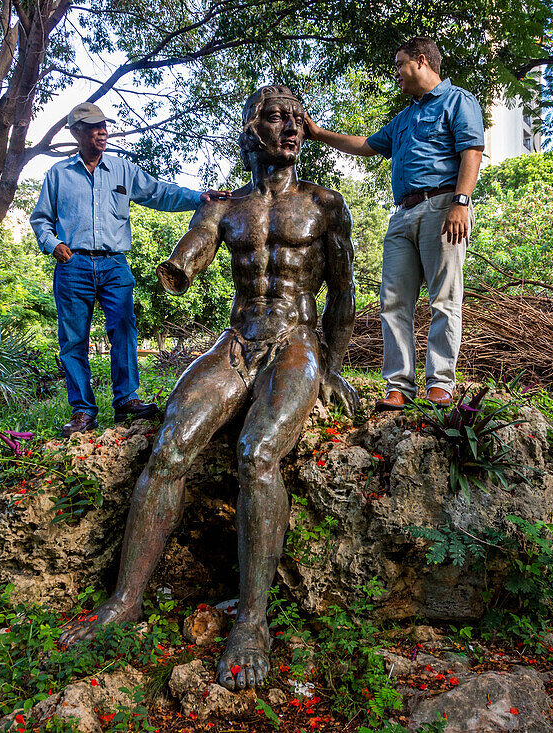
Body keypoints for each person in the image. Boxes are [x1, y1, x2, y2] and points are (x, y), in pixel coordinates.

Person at [58, 85, 359, 691]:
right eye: (275, 118)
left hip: (297, 338)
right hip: (238, 338)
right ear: (253, 131)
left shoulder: (326, 204)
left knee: (257, 454)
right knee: (169, 446)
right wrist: (184, 256)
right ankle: (125, 600)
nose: (290, 127)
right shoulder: (226, 206)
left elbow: (344, 298)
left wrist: (330, 366)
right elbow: (186, 259)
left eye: (296, 117)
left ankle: (252, 620)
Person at [304, 36, 484, 410]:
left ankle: (440, 384)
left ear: (421, 61)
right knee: (393, 302)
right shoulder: (403, 119)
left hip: (442, 207)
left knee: (444, 300)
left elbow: (472, 150)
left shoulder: (458, 101)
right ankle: (399, 386)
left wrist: (461, 202)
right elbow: (366, 145)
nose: (396, 75)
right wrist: (319, 133)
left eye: (400, 65)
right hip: (402, 215)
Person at [31, 102, 229, 436]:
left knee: (124, 329)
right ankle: (83, 412)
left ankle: (126, 401)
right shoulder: (59, 175)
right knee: (73, 341)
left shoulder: (123, 170)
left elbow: (159, 193)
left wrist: (199, 197)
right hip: (73, 265)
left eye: (103, 126)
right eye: (92, 127)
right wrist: (53, 245)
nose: (101, 131)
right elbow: (40, 220)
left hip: (114, 264)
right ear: (76, 132)